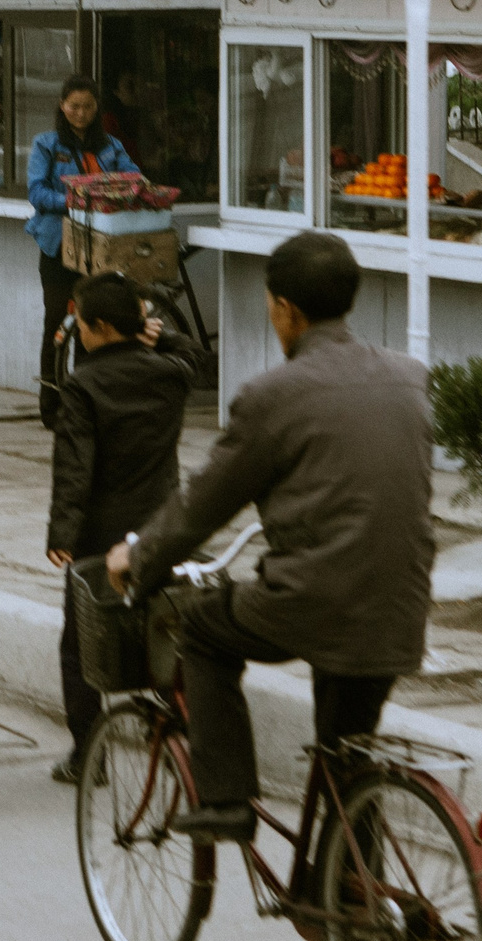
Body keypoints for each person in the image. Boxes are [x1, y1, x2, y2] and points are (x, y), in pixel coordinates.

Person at [104, 232, 433, 841]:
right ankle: (355, 907)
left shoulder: (272, 396)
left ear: (287, 310)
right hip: (401, 605)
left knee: (202, 629)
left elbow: (202, 506)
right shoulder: (409, 378)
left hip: (314, 599)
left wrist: (138, 556)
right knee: (343, 758)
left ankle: (226, 799)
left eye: (269, 304)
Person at [45, 271, 198, 783]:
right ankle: (179, 743)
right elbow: (195, 355)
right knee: (166, 636)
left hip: (99, 537)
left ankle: (89, 755)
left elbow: (74, 469)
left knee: (81, 646)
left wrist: (62, 535)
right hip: (161, 529)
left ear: (102, 327)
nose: (78, 333)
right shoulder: (170, 372)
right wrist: (161, 332)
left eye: (81, 325)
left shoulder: (83, 386)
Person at [25, 75, 137, 428]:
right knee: (57, 326)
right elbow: (37, 194)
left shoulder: (112, 147)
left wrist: (122, 190)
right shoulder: (45, 145)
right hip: (59, 246)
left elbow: (133, 179)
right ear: (62, 105)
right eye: (74, 106)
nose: (81, 113)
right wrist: (77, 201)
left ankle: (86, 405)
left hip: (101, 248)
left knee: (93, 328)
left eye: (88, 106)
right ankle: (51, 407)